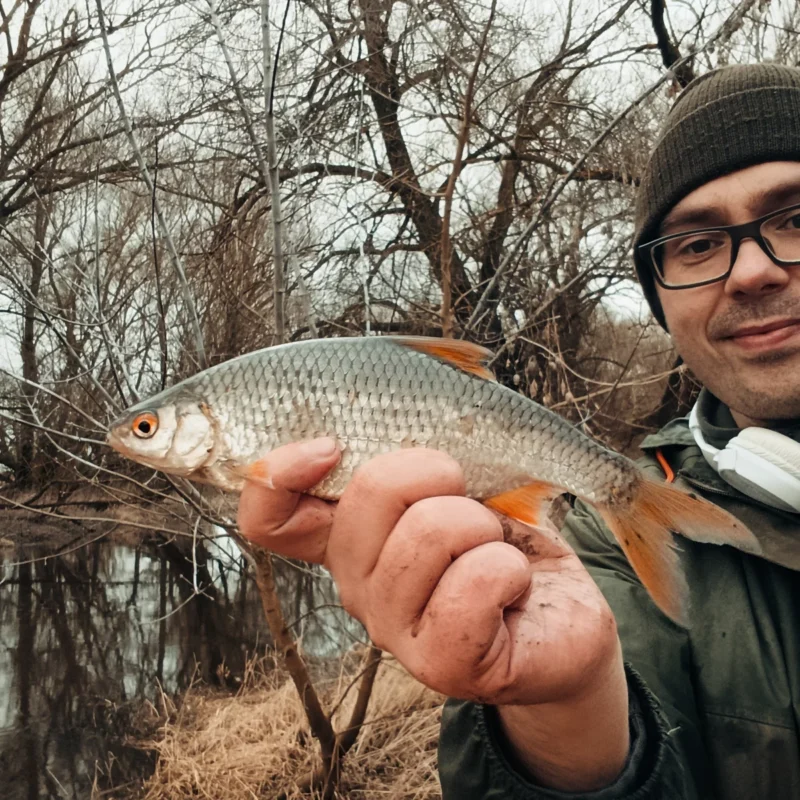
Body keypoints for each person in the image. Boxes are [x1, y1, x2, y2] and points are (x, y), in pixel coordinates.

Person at [237, 63, 800, 799]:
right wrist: (564, 709)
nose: (751, 272)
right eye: (697, 245)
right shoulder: (601, 557)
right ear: (662, 301)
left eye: (796, 218)